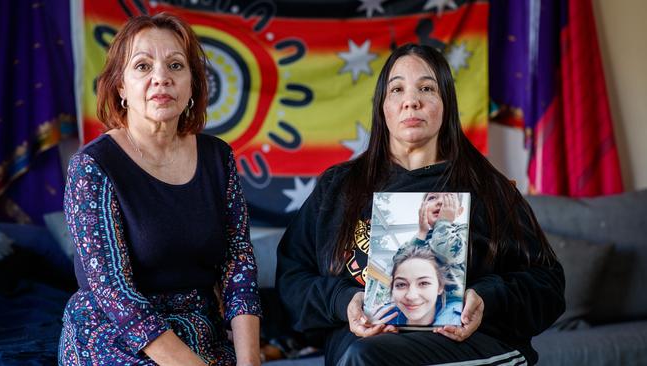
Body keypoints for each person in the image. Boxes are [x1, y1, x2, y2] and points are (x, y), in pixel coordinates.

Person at [276, 43, 564, 366]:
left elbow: (548, 284)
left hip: (468, 346)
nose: (411, 101)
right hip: (362, 349)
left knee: (364, 358)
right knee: (360, 354)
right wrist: (344, 301)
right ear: (382, 107)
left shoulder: (487, 187)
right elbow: (291, 279)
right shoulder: (338, 188)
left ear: (445, 104)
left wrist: (486, 299)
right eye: (397, 89)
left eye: (426, 88)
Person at [58, 13, 261, 366]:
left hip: (200, 329)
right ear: (120, 86)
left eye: (175, 65)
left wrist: (250, 362)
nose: (161, 78)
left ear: (193, 85)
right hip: (115, 335)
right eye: (142, 66)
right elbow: (115, 293)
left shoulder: (218, 157)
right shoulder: (92, 165)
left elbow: (238, 263)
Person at [373, 244, 461, 327]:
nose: (411, 296)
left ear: (440, 287)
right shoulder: (379, 317)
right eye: (401, 284)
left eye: (424, 283)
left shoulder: (460, 321)